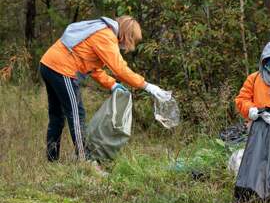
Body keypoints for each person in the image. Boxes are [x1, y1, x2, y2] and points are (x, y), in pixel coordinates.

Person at [40, 15, 171, 162]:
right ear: (127, 34)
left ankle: (52, 160)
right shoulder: (106, 36)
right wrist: (147, 86)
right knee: (76, 115)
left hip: (48, 65)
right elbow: (120, 69)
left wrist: (112, 84)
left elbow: (92, 67)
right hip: (62, 69)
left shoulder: (101, 31)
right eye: (132, 39)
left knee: (57, 116)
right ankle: (85, 161)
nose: (129, 45)